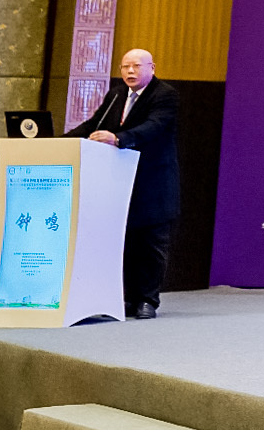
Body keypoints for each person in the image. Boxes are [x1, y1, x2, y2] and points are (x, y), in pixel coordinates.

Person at [68, 48, 180, 319]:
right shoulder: (117, 94)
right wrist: (59, 141)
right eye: (125, 66)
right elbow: (94, 125)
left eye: (136, 66)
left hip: (152, 182)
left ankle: (147, 300)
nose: (130, 71)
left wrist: (119, 139)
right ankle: (127, 298)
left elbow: (153, 127)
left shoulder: (165, 95)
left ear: (152, 68)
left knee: (150, 244)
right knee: (124, 242)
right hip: (117, 182)